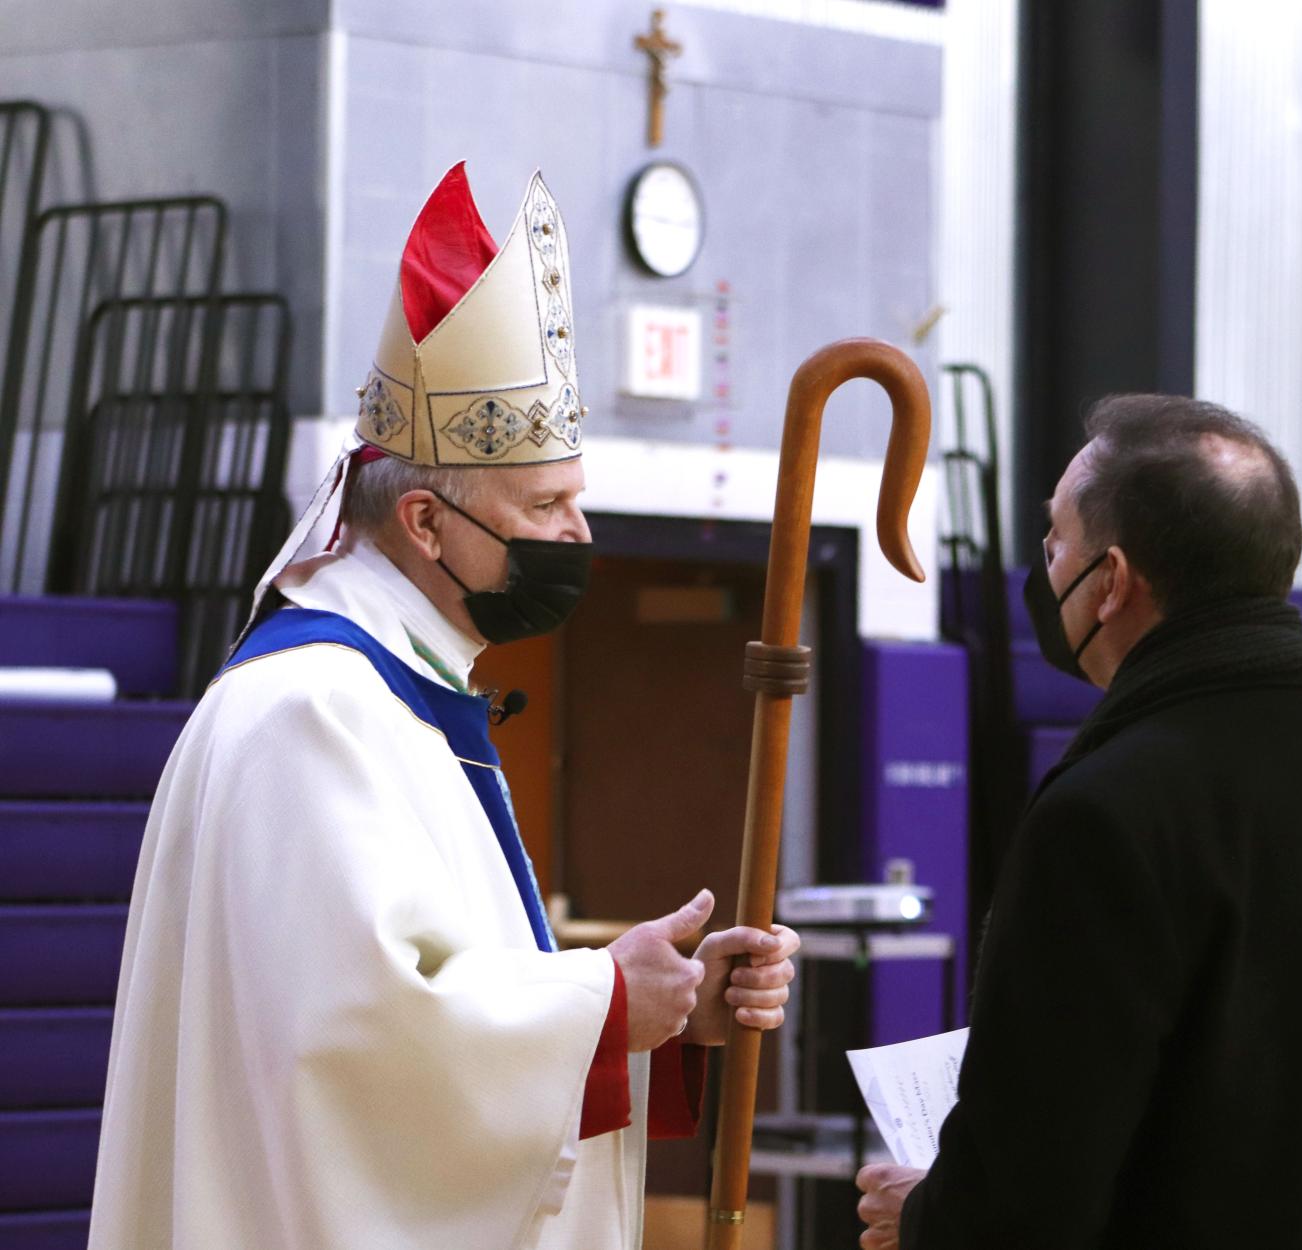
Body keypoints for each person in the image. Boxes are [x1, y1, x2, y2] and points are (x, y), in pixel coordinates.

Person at [89, 163, 800, 1250]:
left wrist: (662, 1017)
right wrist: (608, 1000)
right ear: (424, 522)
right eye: (547, 504)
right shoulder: (311, 712)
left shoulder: (398, 690)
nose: (578, 536)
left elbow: (444, 1014)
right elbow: (365, 1055)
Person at [856, 395, 1302, 1249]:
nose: (1044, 572)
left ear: (1111, 581)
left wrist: (933, 1219)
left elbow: (1032, 1185)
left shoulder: (1107, 814)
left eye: (1054, 543)